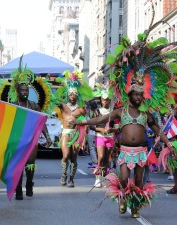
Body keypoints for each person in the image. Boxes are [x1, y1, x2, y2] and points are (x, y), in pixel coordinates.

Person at [71, 27, 177, 217]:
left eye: (140, 94)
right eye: (135, 94)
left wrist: (168, 143)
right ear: (129, 95)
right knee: (123, 179)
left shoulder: (147, 114)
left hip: (141, 152)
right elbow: (102, 118)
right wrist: (84, 123)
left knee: (138, 181)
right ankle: (122, 200)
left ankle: (135, 207)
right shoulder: (121, 111)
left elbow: (158, 129)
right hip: (125, 151)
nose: (138, 97)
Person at [0, 59, 55, 200]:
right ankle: (18, 190)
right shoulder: (13, 106)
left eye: (27, 90)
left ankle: (29, 184)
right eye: (22, 90)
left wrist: (47, 137)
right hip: (17, 139)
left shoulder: (34, 106)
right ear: (17, 91)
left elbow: (42, 123)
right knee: (18, 165)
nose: (25, 92)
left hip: (31, 140)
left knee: (30, 164)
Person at [55, 70, 92, 188]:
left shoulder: (81, 109)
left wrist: (84, 139)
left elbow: (85, 123)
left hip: (76, 135)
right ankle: (64, 174)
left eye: (74, 94)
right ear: (68, 94)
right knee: (65, 156)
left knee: (74, 158)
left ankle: (71, 179)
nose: (72, 96)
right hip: (65, 133)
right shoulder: (63, 106)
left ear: (77, 95)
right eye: (70, 94)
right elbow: (52, 100)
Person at [90, 85, 117, 188]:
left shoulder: (113, 112)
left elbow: (117, 127)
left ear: (109, 100)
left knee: (107, 159)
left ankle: (105, 178)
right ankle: (97, 178)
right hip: (100, 136)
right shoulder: (97, 112)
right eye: (103, 100)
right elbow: (92, 126)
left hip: (110, 137)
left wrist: (111, 129)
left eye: (107, 100)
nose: (105, 101)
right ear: (100, 100)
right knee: (100, 157)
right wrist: (101, 129)